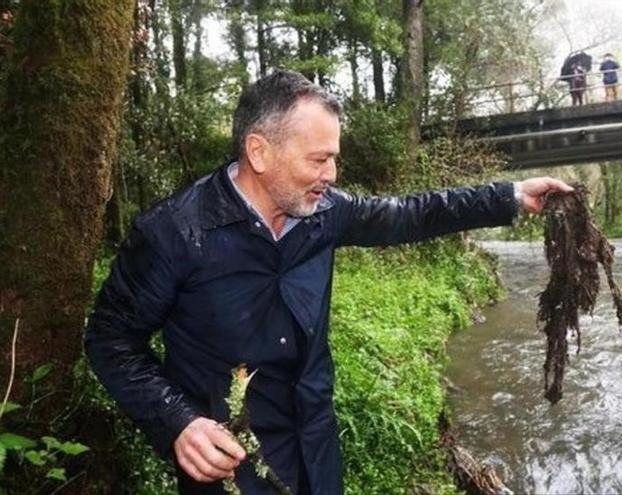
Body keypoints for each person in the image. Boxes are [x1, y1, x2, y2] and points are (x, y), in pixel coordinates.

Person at [84, 70, 573, 494]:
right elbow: (110, 340)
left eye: (333, 158)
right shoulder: (174, 232)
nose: (331, 174)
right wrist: (178, 421)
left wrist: (508, 197)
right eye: (318, 160)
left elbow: (410, 214)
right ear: (259, 151)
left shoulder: (326, 214)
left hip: (317, 445)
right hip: (230, 465)